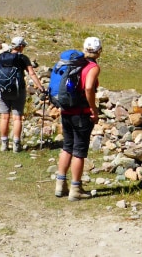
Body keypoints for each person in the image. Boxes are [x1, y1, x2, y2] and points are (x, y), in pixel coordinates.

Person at [54, 36, 102, 201]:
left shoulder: (73, 64)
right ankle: (76, 188)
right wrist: (93, 110)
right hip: (81, 113)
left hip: (66, 111)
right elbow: (88, 87)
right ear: (99, 52)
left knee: (67, 147)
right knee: (79, 151)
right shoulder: (92, 67)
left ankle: (60, 184)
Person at [0, 36, 43, 152]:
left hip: (3, 90)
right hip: (18, 90)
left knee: (4, 117)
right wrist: (40, 87)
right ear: (20, 46)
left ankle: (4, 144)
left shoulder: (2, 56)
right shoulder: (23, 58)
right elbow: (31, 73)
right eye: (23, 46)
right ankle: (16, 144)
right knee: (17, 118)